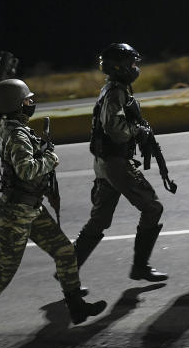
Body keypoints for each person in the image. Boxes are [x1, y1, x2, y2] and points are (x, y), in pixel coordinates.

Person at [0, 78, 106, 347]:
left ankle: (77, 307)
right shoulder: (16, 134)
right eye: (26, 100)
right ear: (14, 105)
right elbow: (27, 170)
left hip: (30, 208)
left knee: (64, 251)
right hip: (16, 214)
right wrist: (50, 158)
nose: (31, 103)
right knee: (1, 272)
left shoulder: (10, 128)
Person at [72, 43, 168, 282]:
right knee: (152, 207)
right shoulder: (115, 92)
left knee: (100, 219)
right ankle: (140, 267)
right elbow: (116, 130)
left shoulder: (117, 89)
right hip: (115, 163)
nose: (136, 68)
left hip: (107, 163)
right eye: (132, 64)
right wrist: (139, 131)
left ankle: (67, 270)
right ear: (120, 67)